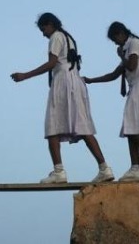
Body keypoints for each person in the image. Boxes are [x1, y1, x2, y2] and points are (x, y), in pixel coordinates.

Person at [11, 12, 114, 184]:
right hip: (75, 81)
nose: (43, 34)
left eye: (44, 29)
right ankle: (104, 168)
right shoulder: (68, 38)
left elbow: (52, 63)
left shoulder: (56, 37)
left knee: (52, 126)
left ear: (50, 24)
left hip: (64, 82)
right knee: (83, 126)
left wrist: (25, 75)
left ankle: (59, 171)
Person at [84, 22, 139, 182]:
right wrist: (91, 80)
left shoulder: (134, 43)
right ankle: (135, 167)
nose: (116, 43)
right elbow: (114, 74)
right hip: (136, 88)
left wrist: (121, 55)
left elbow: (132, 65)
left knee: (132, 128)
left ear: (121, 33)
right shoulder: (128, 48)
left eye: (115, 39)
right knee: (130, 128)